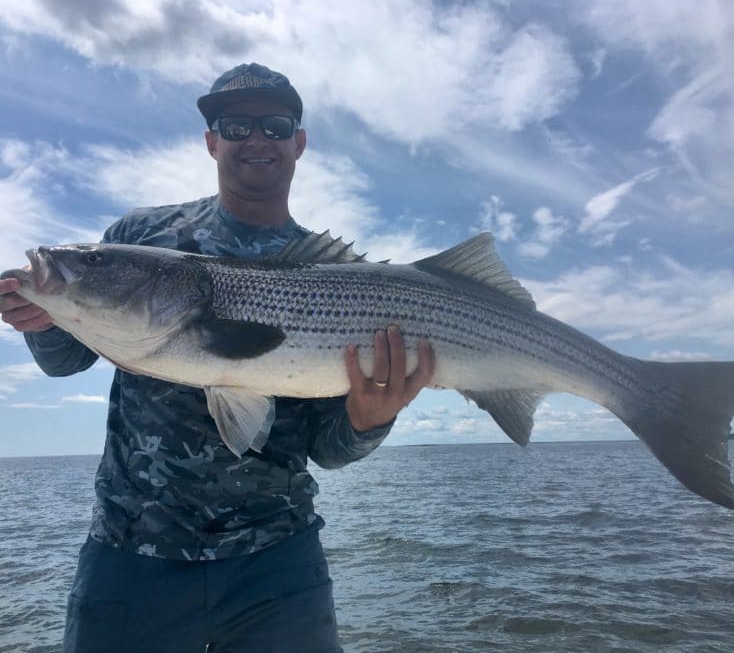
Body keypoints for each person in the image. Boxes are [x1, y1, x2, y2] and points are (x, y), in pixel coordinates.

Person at [0, 63, 435, 653]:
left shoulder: (336, 280)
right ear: (211, 142)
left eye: (275, 125)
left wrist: (372, 417)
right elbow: (62, 362)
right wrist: (44, 315)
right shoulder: (142, 236)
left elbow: (327, 449)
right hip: (132, 553)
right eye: (235, 126)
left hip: (277, 563)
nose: (256, 140)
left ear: (298, 143)